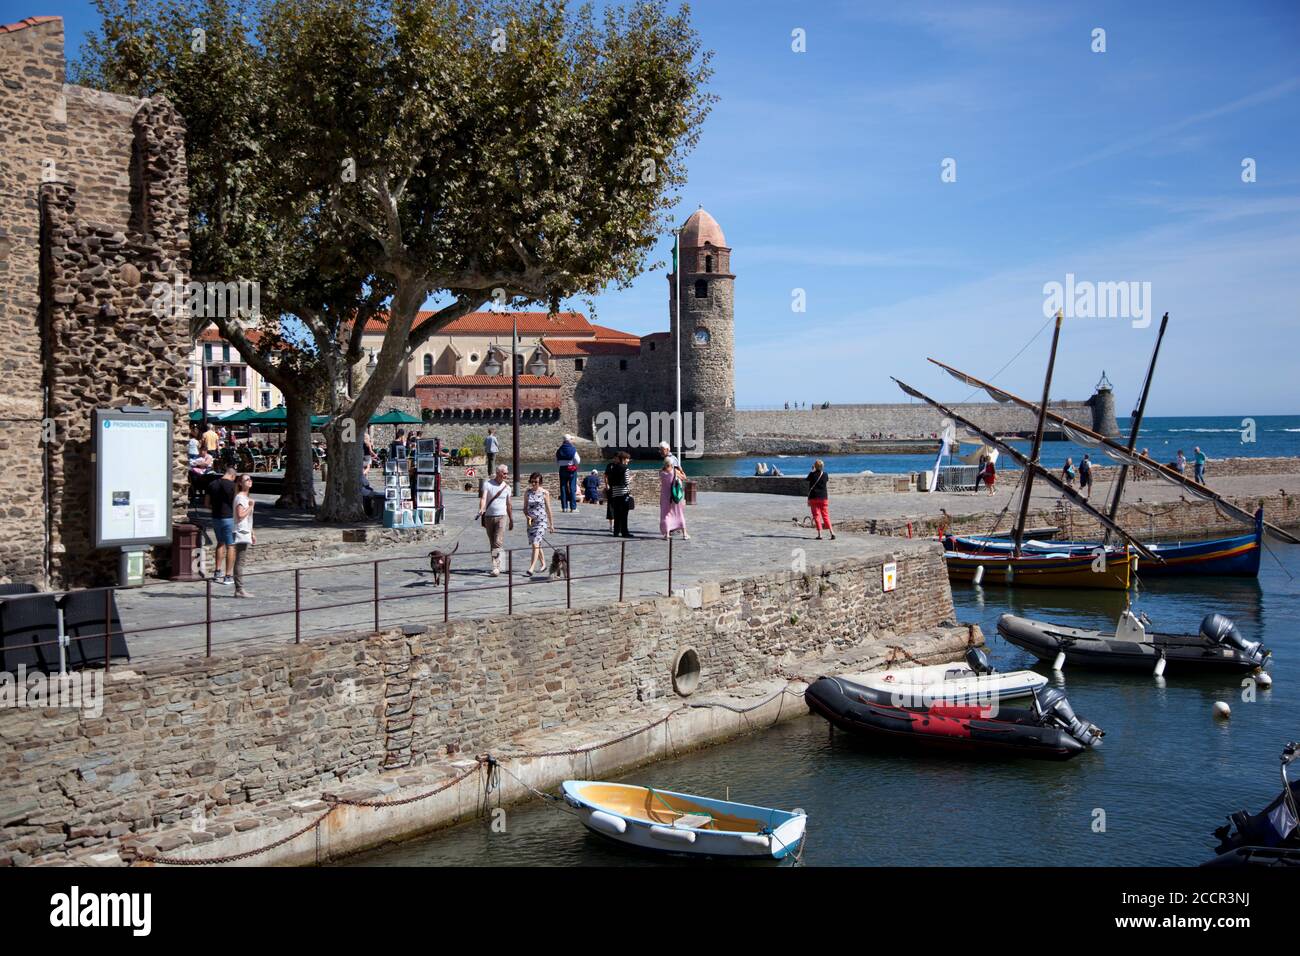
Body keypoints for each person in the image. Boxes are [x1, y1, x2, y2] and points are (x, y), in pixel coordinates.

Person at [478, 464, 514, 576]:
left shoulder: (507, 488)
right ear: (498, 473)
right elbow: (483, 498)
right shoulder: (488, 484)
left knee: (497, 542)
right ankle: (498, 564)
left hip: (502, 517)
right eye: (504, 473)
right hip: (489, 517)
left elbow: (509, 505)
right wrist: (481, 508)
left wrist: (511, 519)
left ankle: (496, 567)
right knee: (492, 542)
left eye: (507, 473)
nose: (506, 475)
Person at [207, 464, 238, 585]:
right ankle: (228, 575)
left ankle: (217, 571)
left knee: (220, 543)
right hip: (229, 517)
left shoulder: (212, 484)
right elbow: (237, 502)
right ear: (232, 475)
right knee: (231, 546)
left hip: (216, 517)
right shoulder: (233, 486)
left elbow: (206, 503)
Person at [523, 472, 555, 577]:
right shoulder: (527, 493)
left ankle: (531, 568)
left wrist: (551, 524)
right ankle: (544, 564)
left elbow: (549, 509)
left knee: (536, 543)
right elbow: (525, 508)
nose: (533, 484)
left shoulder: (545, 493)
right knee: (536, 544)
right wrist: (527, 516)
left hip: (541, 522)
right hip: (531, 522)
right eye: (532, 481)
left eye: (536, 482)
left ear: (540, 482)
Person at [232, 474, 256, 597]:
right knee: (240, 561)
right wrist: (251, 506)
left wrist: (252, 532)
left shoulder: (246, 497)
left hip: (246, 530)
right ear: (240, 483)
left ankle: (239, 588)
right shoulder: (240, 498)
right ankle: (239, 588)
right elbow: (240, 515)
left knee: (241, 560)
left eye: (250, 479)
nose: (250, 481)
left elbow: (248, 519)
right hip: (241, 531)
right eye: (247, 479)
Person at [659, 452, 689, 541]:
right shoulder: (674, 471)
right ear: (671, 464)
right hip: (675, 496)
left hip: (665, 496)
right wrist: (680, 469)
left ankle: (667, 534)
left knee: (666, 515)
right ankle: (685, 534)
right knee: (679, 514)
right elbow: (684, 477)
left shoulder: (661, 472)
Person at [606, 451, 633, 538]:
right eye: (627, 459)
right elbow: (626, 482)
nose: (628, 460)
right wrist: (631, 479)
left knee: (617, 514)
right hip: (623, 493)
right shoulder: (626, 469)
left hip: (615, 493)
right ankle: (624, 532)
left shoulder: (613, 468)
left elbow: (610, 481)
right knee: (624, 514)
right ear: (624, 459)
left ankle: (616, 532)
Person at [806, 459, 835, 540]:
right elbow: (826, 480)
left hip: (813, 497)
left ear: (815, 466)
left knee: (816, 516)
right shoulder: (825, 474)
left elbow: (807, 479)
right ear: (822, 466)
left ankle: (820, 534)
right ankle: (832, 532)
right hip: (823, 498)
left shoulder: (811, 474)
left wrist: (812, 470)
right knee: (825, 515)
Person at [555, 434, 580, 512]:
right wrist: (573, 464)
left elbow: (557, 461)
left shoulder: (559, 450)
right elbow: (578, 460)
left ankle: (564, 507)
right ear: (569, 440)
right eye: (571, 440)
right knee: (572, 488)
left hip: (562, 469)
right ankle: (573, 507)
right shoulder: (572, 449)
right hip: (571, 469)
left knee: (563, 488)